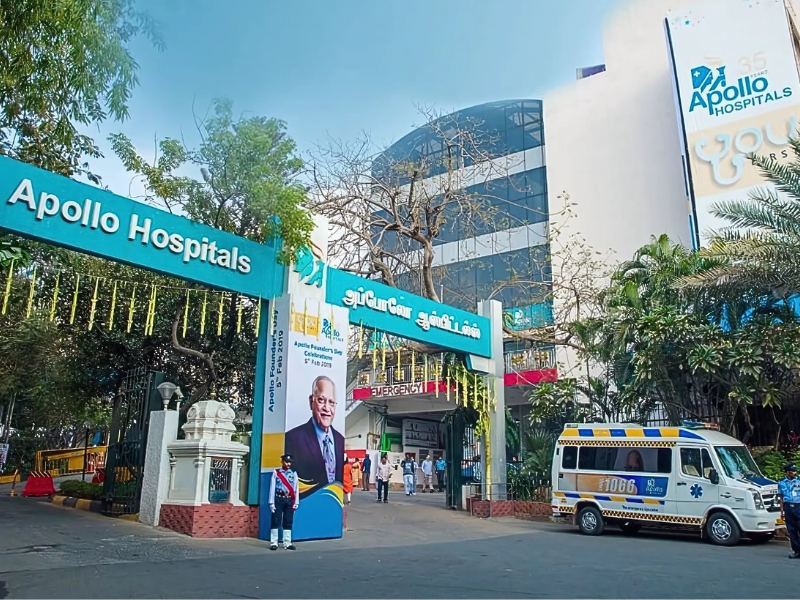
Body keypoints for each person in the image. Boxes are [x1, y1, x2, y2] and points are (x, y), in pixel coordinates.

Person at [284, 376, 344, 497]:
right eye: (321, 400)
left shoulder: (340, 440)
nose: (327, 408)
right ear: (311, 401)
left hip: (333, 505)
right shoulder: (292, 438)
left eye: (331, 402)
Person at [268, 454, 299, 551]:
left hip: (289, 499)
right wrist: (271, 503)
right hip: (278, 498)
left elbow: (296, 488)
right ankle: (274, 542)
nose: (288, 464)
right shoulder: (276, 473)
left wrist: (296, 502)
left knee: (288, 521)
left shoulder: (293, 473)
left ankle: (287, 542)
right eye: (286, 461)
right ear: (282, 462)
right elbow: (272, 488)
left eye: (289, 462)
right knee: (275, 520)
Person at [778, 463, 800, 559]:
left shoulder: (799, 481)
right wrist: (782, 511)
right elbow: (781, 498)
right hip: (788, 507)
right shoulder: (782, 483)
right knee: (792, 530)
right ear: (788, 472)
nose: (794, 473)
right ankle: (797, 551)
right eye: (792, 471)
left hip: (798, 506)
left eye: (795, 471)